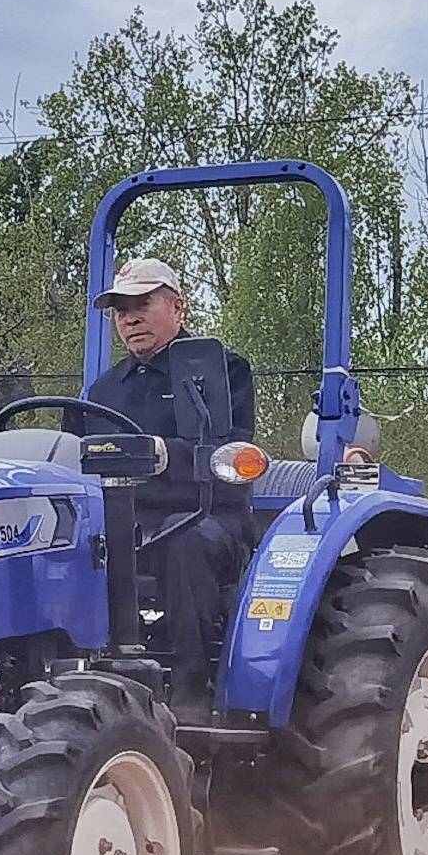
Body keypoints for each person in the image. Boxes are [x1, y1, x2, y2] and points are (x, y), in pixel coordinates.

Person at [88, 257, 257, 697]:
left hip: (203, 512)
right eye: (120, 309)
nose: (130, 317)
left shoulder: (222, 372)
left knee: (185, 545)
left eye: (142, 302)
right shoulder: (103, 391)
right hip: (124, 521)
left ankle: (190, 686)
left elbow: (230, 455)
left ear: (178, 307)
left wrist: (165, 455)